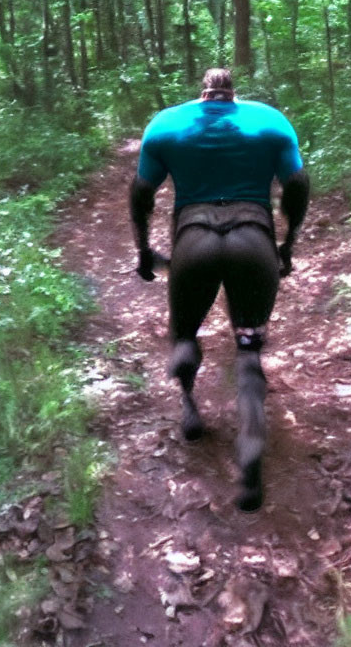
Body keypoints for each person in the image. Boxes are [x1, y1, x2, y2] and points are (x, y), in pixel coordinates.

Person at [129, 68, 309, 511]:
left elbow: (141, 194)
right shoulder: (269, 119)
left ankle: (190, 408)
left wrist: (143, 249)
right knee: (248, 347)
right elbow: (298, 185)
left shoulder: (166, 123)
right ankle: (249, 462)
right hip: (254, 235)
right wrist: (287, 244)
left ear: (202, 93)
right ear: (233, 94)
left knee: (186, 331)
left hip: (194, 238)